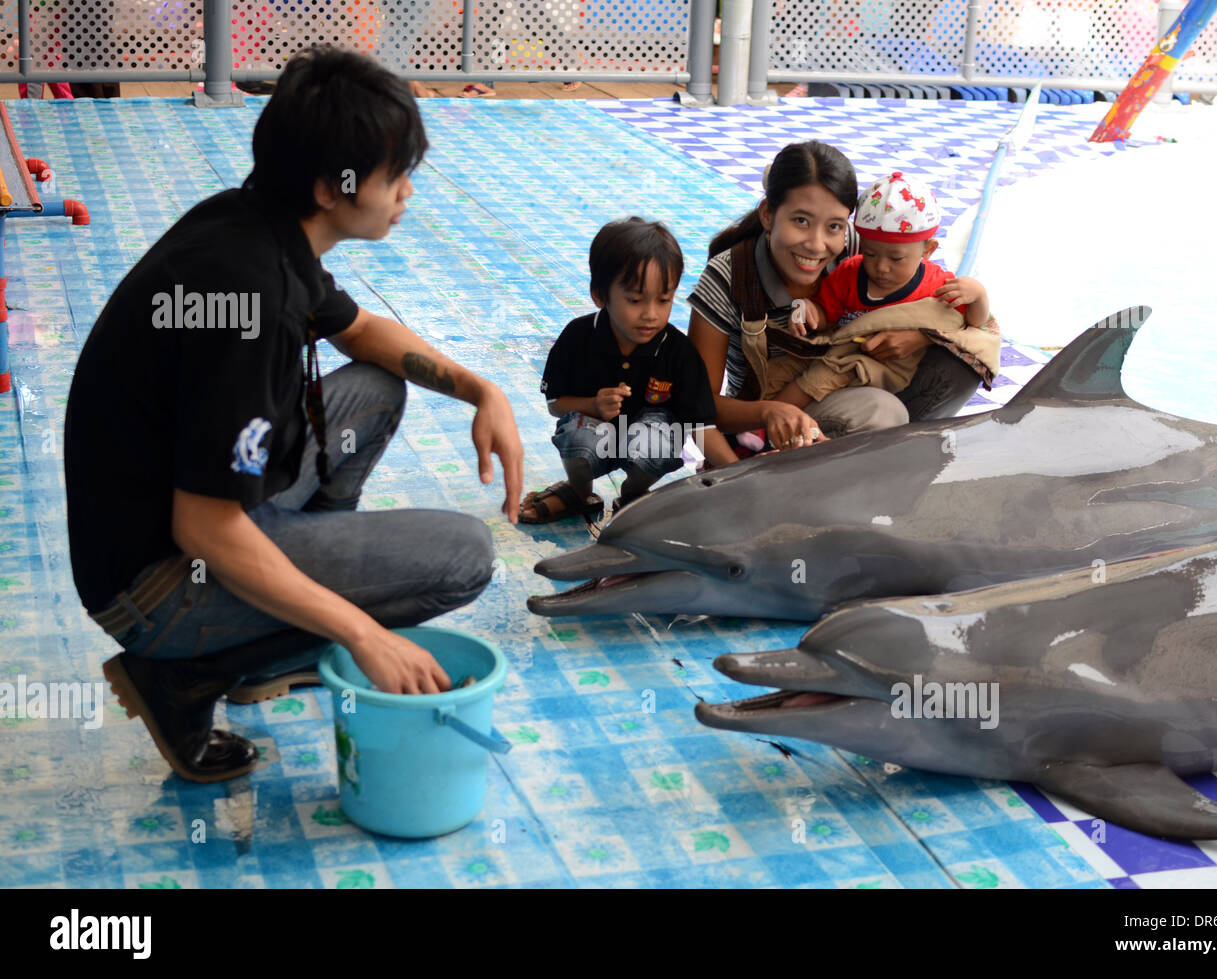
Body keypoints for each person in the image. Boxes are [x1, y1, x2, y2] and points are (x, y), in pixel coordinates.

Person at [63, 46, 524, 783]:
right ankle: (188, 674)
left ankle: (290, 602)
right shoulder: (253, 309)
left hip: (168, 517)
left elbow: (363, 333)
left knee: (376, 388)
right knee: (465, 554)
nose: (408, 190)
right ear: (330, 187)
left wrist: (482, 391)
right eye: (395, 174)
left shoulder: (258, 221)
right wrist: (362, 630)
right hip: (154, 584)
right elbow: (204, 528)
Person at [687, 141, 983, 454]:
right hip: (764, 417)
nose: (817, 245)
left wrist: (920, 336)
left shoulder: (863, 247)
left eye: (834, 226)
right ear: (768, 215)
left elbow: (966, 318)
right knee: (881, 411)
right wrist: (765, 417)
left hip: (854, 381)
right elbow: (695, 405)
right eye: (801, 220)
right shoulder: (728, 278)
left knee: (960, 367)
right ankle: (774, 464)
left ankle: (888, 461)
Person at [520, 218, 738, 522]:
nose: (651, 314)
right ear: (600, 295)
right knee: (576, 435)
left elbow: (699, 426)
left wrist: (740, 476)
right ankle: (580, 492)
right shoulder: (578, 337)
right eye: (635, 300)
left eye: (664, 300)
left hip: (647, 442)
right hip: (596, 433)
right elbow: (556, 404)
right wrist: (592, 405)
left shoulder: (678, 351)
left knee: (659, 439)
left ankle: (633, 495)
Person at [766, 171, 996, 409]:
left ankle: (764, 424)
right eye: (871, 254)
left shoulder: (937, 286)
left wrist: (979, 296)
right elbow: (826, 314)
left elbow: (973, 324)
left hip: (879, 370)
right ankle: (754, 417)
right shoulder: (850, 272)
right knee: (779, 370)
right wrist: (806, 308)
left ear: (928, 250)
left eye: (896, 259)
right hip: (839, 351)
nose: (881, 268)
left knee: (821, 377)